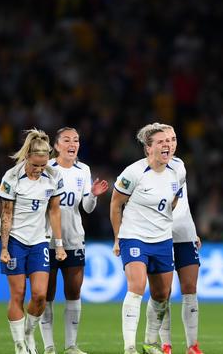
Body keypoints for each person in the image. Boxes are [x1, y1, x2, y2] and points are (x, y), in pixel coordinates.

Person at [110, 123, 184, 354]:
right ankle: (129, 347)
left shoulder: (178, 170)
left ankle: (151, 343)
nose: (168, 145)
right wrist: (117, 237)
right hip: (134, 236)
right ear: (148, 148)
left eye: (170, 141)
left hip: (162, 239)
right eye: (161, 142)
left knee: (162, 294)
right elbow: (115, 204)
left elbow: (174, 199)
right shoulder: (133, 173)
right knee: (137, 287)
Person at [0, 129, 67, 354]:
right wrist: (5, 248)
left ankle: (28, 334)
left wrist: (60, 243)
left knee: (40, 295)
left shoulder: (53, 177)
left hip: (39, 241)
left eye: (43, 165)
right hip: (15, 239)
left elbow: (54, 211)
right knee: (17, 294)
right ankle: (19, 346)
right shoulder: (12, 177)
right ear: (27, 157)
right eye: (35, 165)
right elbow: (6, 213)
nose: (39, 169)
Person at [38, 127, 109, 354]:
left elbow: (85, 208)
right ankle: (49, 346)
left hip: (74, 238)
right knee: (46, 294)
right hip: (47, 240)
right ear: (56, 146)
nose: (72, 144)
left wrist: (93, 196)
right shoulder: (47, 168)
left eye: (76, 140)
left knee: (73, 292)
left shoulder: (83, 170)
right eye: (67, 140)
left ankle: (70, 346)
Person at [155, 124, 204, 354]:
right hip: (160, 235)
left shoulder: (180, 165)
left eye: (173, 139)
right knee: (163, 292)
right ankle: (165, 343)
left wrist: (193, 231)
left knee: (189, 287)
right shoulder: (146, 170)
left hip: (185, 233)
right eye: (165, 139)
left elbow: (183, 203)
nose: (170, 143)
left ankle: (192, 345)